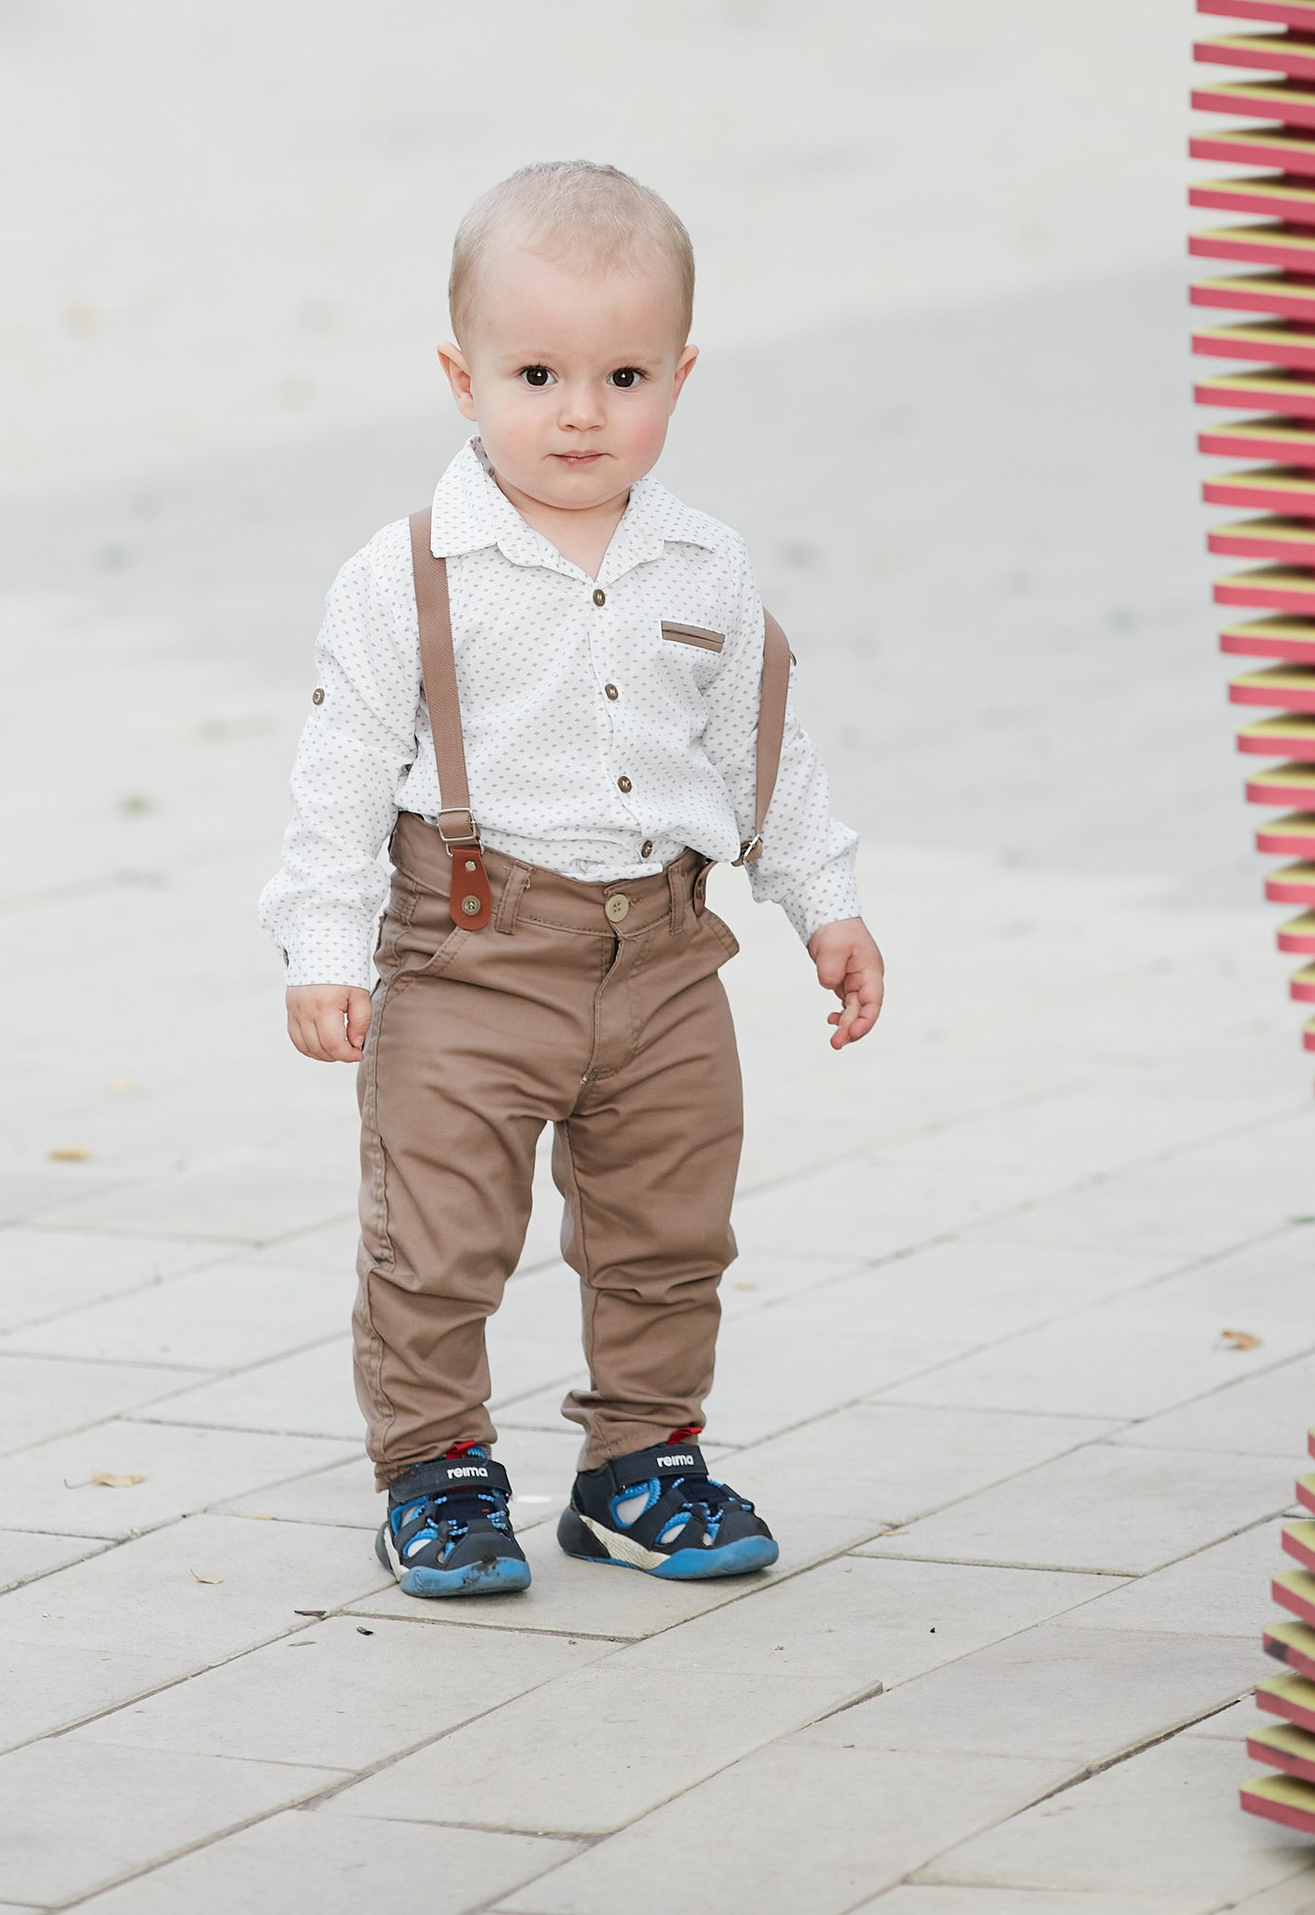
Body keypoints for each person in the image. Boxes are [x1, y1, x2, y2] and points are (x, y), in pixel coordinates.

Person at [260, 158, 884, 1599]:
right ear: (459, 374)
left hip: (663, 954)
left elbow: (757, 746)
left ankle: (638, 1460)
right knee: (440, 1226)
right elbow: (342, 769)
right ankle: (435, 1466)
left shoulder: (706, 564)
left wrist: (823, 898)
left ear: (681, 371)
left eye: (623, 372)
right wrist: (323, 946)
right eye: (537, 371)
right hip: (468, 951)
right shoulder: (406, 573)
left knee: (670, 1219)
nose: (582, 410)